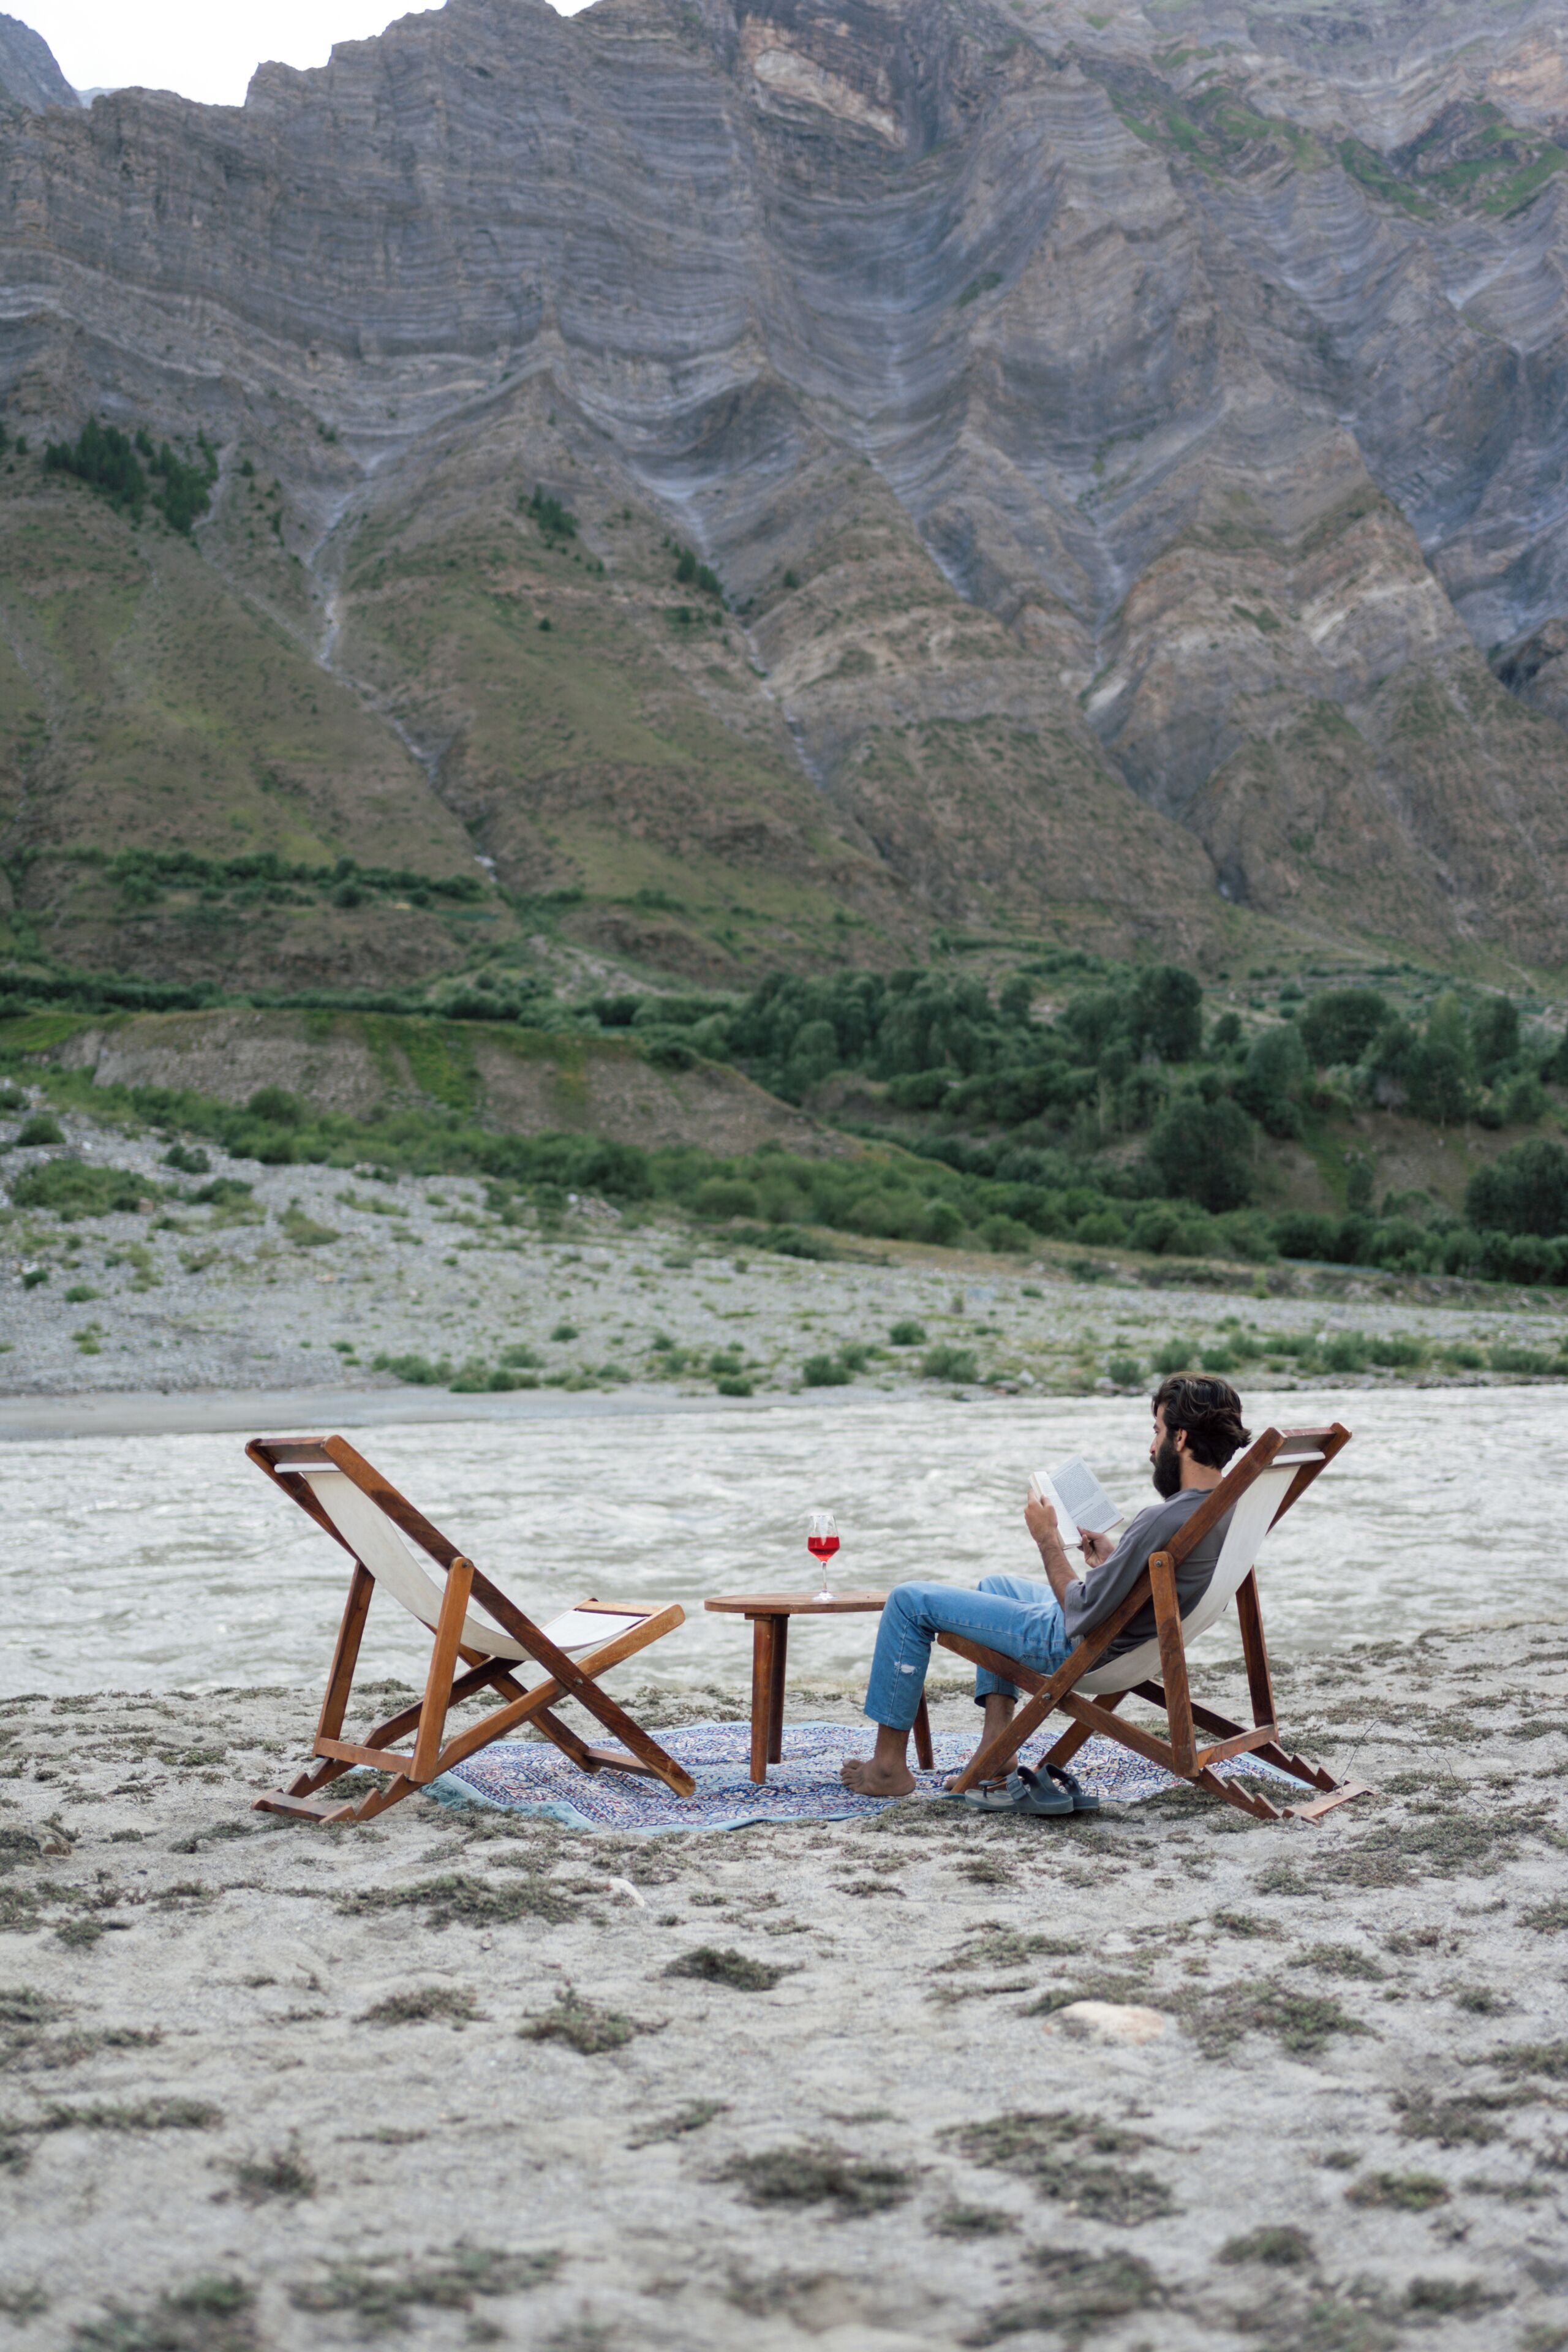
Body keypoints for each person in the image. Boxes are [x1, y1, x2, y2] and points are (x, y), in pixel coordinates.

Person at [839, 1374, 1251, 1801]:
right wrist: (1111, 1561)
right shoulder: (1227, 1509)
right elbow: (1162, 1587)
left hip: (1084, 1645)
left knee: (908, 1601)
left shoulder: (1161, 1519)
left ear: (1180, 1438)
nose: (1152, 1448)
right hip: (1136, 1642)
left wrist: (1048, 1541)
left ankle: (887, 1768)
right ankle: (998, 1753)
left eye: (1157, 1432)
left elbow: (1080, 1610)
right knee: (996, 1585)